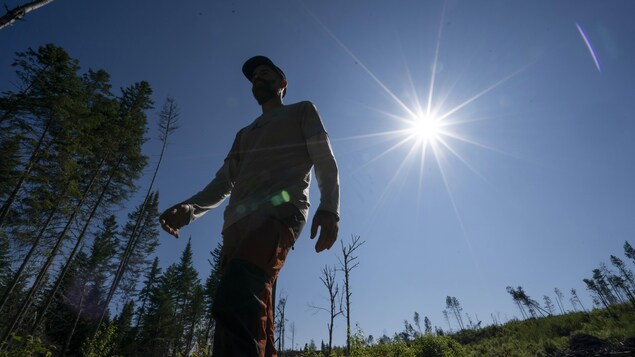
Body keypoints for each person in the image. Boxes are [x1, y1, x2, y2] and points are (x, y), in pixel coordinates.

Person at [159, 55, 340, 357]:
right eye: (254, 75)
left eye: (265, 72)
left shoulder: (301, 110)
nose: (257, 77)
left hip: (278, 215)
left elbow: (324, 158)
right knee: (251, 313)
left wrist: (330, 208)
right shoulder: (243, 134)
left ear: (282, 84)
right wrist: (189, 209)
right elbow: (222, 184)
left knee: (236, 299)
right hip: (235, 229)